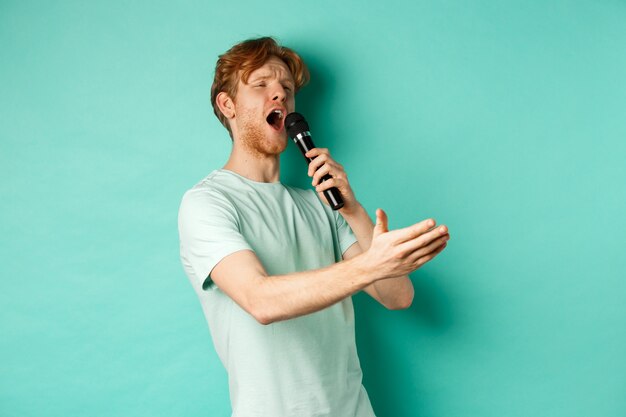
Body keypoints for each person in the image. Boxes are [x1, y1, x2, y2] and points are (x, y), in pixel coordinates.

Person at [177, 36, 451, 417]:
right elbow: (260, 300)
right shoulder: (207, 202)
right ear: (228, 105)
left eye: (287, 89)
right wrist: (372, 264)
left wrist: (352, 209)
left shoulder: (319, 205)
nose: (280, 97)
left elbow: (397, 296)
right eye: (261, 85)